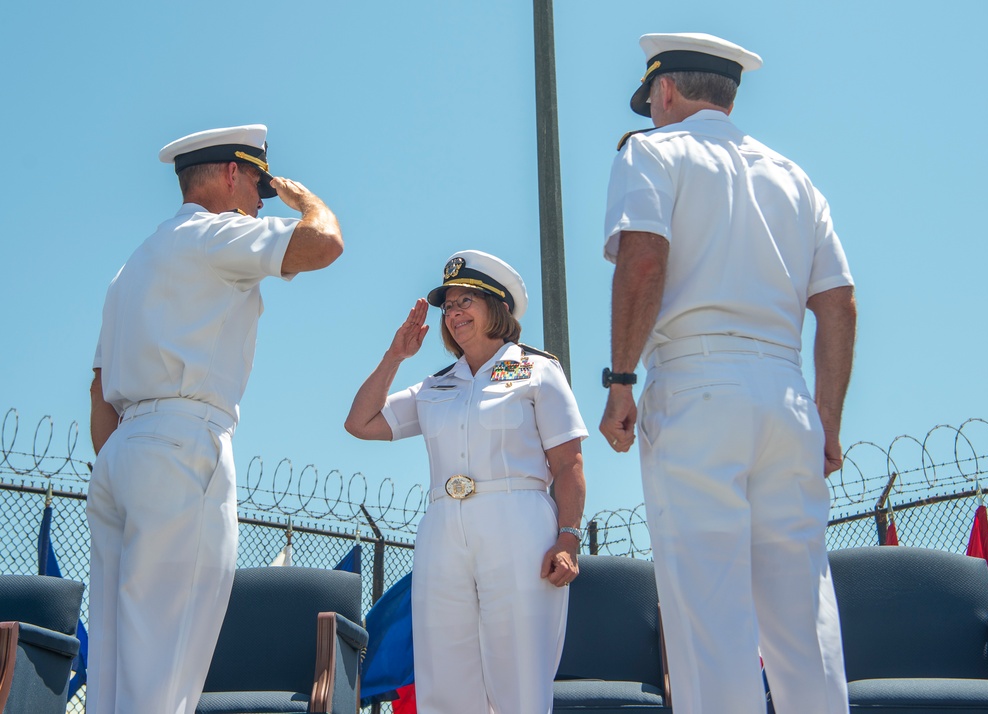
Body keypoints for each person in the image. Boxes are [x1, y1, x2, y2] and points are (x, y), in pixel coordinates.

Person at [599, 33, 856, 714]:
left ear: (667, 91)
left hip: (697, 387)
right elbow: (838, 305)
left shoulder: (651, 152)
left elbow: (644, 260)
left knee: (710, 624)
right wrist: (826, 422)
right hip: (787, 393)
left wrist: (619, 378)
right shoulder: (795, 177)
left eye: (652, 100)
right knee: (804, 618)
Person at [88, 124, 344, 714]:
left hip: (122, 454)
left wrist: (125, 462)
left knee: (112, 671)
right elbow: (323, 244)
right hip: (183, 446)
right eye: (260, 186)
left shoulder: (130, 268)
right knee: (164, 670)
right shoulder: (214, 233)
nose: (261, 202)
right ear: (233, 174)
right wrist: (309, 202)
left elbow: (100, 391)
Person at [345, 250, 587, 714]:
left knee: (518, 671)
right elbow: (361, 422)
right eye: (448, 306)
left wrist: (568, 537)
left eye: (465, 302)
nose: (454, 314)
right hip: (442, 529)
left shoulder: (538, 371)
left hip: (519, 522)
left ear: (497, 308)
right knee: (444, 671)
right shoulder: (435, 386)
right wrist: (395, 356)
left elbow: (568, 463)